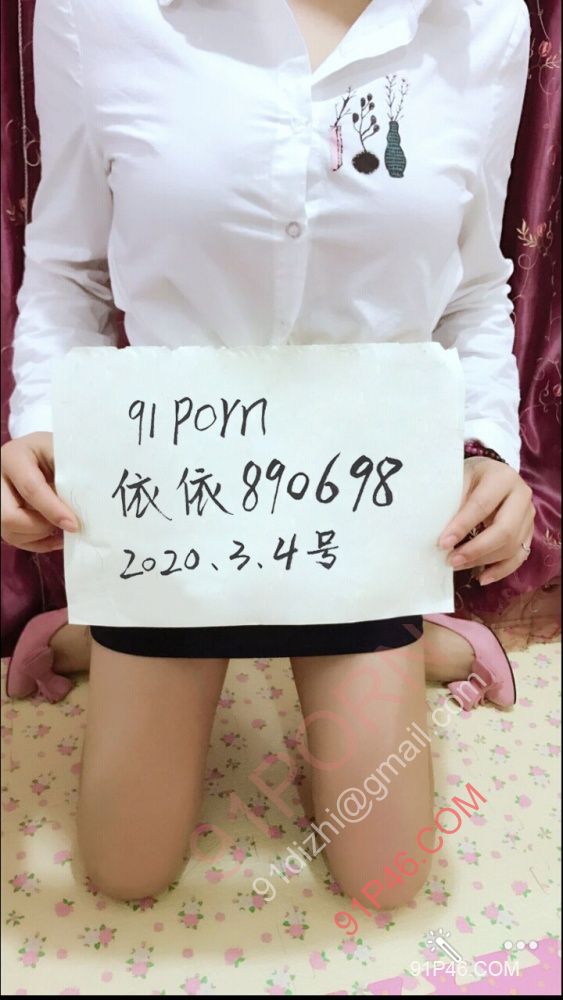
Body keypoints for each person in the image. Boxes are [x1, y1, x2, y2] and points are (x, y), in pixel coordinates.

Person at [0, 0, 535, 905]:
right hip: (174, 502)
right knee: (126, 875)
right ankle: (90, 628)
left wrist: (489, 450)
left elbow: (474, 287)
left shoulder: (481, 24)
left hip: (364, 517)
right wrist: (40, 426)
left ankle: (428, 643)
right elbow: (68, 267)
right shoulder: (99, 13)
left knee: (386, 883)